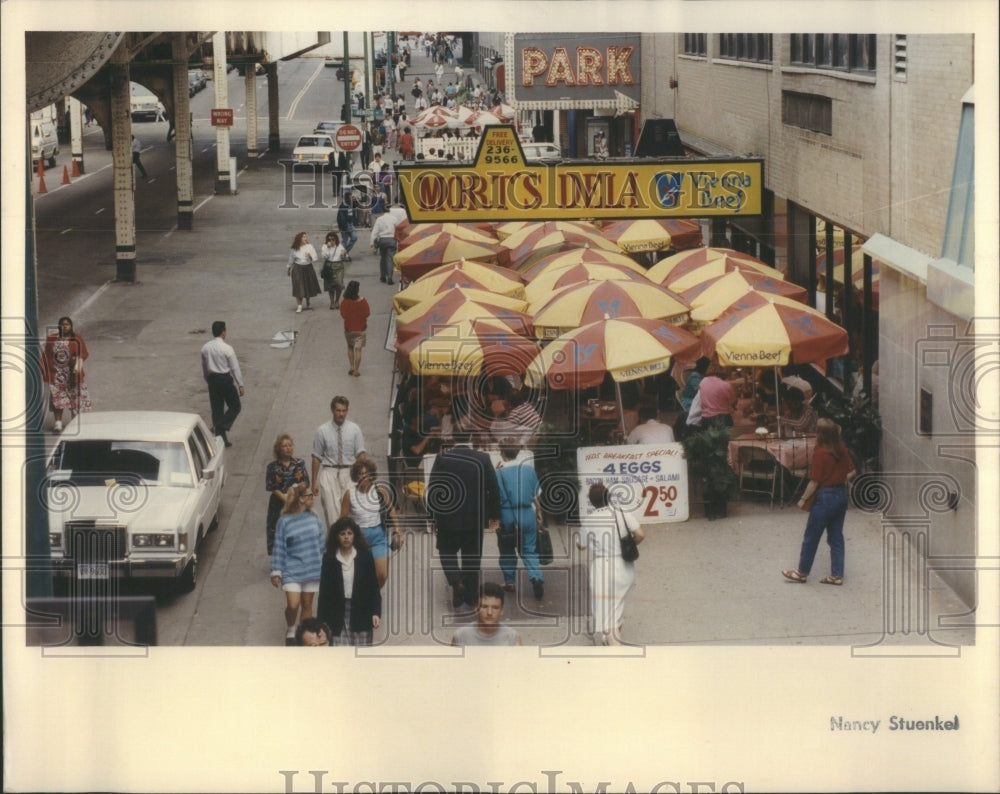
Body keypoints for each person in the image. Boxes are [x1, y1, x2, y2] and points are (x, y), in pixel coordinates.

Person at [427, 430, 501, 609]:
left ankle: (456, 581)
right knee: (472, 558)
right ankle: (472, 597)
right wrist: (495, 515)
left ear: (453, 439)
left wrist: (432, 517)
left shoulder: (443, 458)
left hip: (447, 517)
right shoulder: (483, 458)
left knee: (446, 551)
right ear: (470, 438)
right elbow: (493, 488)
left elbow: (433, 489)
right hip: (475, 518)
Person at [783, 419, 857, 586]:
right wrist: (839, 479)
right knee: (836, 537)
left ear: (821, 435)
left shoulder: (820, 453)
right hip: (840, 496)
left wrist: (802, 499)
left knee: (812, 536)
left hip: (825, 498)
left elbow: (814, 482)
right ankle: (837, 575)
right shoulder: (842, 449)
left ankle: (802, 572)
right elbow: (852, 471)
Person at [575, 483, 645, 646]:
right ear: (608, 497)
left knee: (606, 610)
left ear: (592, 502)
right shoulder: (622, 514)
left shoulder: (589, 520)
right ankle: (611, 639)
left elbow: (581, 545)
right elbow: (640, 535)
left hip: (602, 567)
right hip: (623, 565)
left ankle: (614, 645)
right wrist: (628, 545)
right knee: (617, 605)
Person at [270, 483, 326, 645]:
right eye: (309, 496)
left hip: (312, 569)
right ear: (300, 499)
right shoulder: (284, 521)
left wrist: (326, 564)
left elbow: (322, 542)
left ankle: (302, 635)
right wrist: (276, 571)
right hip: (292, 570)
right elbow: (279, 547)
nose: (312, 498)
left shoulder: (314, 517)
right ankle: (291, 628)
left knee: (307, 605)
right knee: (293, 605)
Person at [317, 517, 382, 646]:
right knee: (340, 655)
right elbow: (324, 593)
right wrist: (321, 623)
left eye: (349, 533)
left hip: (361, 613)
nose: (346, 537)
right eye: (342, 534)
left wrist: (376, 612)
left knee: (360, 654)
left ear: (354, 535)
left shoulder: (365, 557)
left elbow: (373, 588)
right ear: (336, 537)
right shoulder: (329, 559)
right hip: (336, 615)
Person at [339, 459, 401, 588]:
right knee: (361, 576)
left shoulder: (380, 491)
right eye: (360, 474)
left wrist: (397, 532)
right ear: (356, 476)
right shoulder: (349, 494)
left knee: (382, 575)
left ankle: (373, 595)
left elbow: (392, 510)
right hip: (359, 538)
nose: (364, 477)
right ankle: (365, 599)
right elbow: (342, 520)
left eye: (366, 473)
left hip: (378, 536)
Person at [495, 440, 544, 599]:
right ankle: (536, 577)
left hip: (507, 515)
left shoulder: (498, 473)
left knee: (507, 549)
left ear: (502, 453)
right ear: (517, 452)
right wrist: (539, 513)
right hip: (527, 513)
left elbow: (493, 498)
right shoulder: (528, 470)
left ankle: (510, 582)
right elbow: (536, 495)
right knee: (529, 548)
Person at [311, 395, 366, 531]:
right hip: (329, 472)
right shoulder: (322, 431)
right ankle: (334, 545)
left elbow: (360, 454)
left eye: (343, 410)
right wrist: (314, 482)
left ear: (347, 410)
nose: (341, 414)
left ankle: (348, 545)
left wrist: (363, 478)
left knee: (350, 511)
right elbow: (316, 457)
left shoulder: (355, 430)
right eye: (338, 410)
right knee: (331, 512)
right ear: (332, 410)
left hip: (349, 472)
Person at [41, 316, 93, 432]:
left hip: (73, 374)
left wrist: (77, 362)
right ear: (59, 326)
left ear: (71, 326)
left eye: (67, 324)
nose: (64, 327)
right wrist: (47, 371)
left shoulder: (77, 338)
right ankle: (58, 423)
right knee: (58, 400)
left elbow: (84, 353)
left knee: (76, 398)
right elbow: (46, 355)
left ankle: (75, 421)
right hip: (57, 375)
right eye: (62, 324)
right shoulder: (52, 339)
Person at [200, 320, 244, 447]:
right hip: (225, 379)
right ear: (223, 332)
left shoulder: (205, 348)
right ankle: (219, 427)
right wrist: (240, 384)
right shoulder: (227, 348)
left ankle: (220, 438)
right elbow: (235, 368)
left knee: (217, 409)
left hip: (213, 380)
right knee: (235, 406)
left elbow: (204, 366)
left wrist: (207, 379)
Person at [264, 433, 310, 555]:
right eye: (285, 446)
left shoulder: (299, 463)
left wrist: (296, 495)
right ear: (278, 448)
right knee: (278, 530)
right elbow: (272, 486)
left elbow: (306, 482)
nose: (288, 448)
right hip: (278, 504)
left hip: (297, 502)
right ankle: (279, 558)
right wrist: (285, 498)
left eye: (290, 445)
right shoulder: (272, 467)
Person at [451, 582, 522, 646]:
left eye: (495, 608)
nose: (489, 612)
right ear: (476, 609)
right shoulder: (460, 636)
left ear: (502, 610)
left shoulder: (512, 638)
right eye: (484, 607)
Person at [339, 280, 370, 377]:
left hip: (349, 329)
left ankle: (351, 366)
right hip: (360, 329)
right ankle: (356, 370)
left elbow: (343, 315)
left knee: (350, 347)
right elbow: (367, 313)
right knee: (358, 350)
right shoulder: (363, 301)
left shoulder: (345, 301)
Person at [286, 231, 320, 313]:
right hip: (298, 268)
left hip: (308, 267)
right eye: (303, 237)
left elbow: (315, 258)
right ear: (299, 239)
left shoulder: (310, 246)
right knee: (298, 286)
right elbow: (291, 259)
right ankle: (299, 305)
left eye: (305, 237)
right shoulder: (295, 248)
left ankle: (308, 302)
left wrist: (310, 257)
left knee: (308, 285)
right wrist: (289, 268)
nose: (305, 238)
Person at [698, 364, 737, 429]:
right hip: (722, 418)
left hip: (705, 418)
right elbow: (733, 401)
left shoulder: (702, 382)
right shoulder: (725, 385)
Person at [370, 205, 400, 284]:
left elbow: (375, 231)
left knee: (383, 258)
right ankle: (389, 277)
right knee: (390, 259)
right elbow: (398, 230)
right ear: (389, 211)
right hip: (392, 240)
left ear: (382, 211)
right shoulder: (394, 219)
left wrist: (372, 242)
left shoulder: (379, 219)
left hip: (382, 240)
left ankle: (383, 276)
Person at [319, 231, 347, 310]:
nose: (331, 241)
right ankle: (332, 302)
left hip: (338, 266)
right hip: (329, 265)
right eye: (329, 239)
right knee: (330, 285)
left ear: (336, 239)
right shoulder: (325, 246)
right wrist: (328, 248)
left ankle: (337, 300)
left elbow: (344, 257)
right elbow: (325, 257)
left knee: (339, 284)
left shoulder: (339, 246)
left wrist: (344, 254)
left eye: (333, 239)